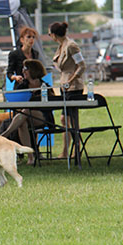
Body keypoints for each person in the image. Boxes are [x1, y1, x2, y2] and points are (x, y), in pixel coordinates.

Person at [1, 59, 54, 165]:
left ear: (33, 70)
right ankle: (30, 157)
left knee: (26, 111)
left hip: (43, 117)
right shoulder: (22, 86)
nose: (23, 71)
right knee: (23, 122)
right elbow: (16, 103)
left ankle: (5, 134)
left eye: (25, 69)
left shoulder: (45, 86)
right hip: (24, 117)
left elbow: (52, 104)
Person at [48, 21, 85, 158]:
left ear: (53, 35)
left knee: (72, 119)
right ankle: (65, 151)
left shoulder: (71, 46)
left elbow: (81, 66)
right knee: (64, 119)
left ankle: (77, 150)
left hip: (73, 87)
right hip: (64, 86)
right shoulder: (61, 46)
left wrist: (71, 80)